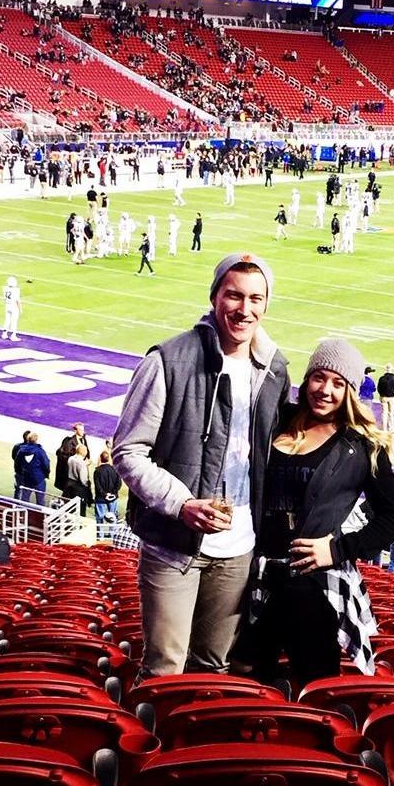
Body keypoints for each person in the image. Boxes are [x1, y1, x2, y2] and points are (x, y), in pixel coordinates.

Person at [113, 252, 290, 678]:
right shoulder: (167, 361)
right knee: (164, 667)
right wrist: (182, 503)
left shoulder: (274, 368)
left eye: (255, 298)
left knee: (214, 666)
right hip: (174, 544)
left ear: (266, 305)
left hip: (239, 545)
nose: (243, 309)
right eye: (233, 295)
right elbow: (128, 451)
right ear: (214, 297)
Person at [242, 337, 394, 686]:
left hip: (311, 586)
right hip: (252, 576)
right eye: (319, 377)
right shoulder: (278, 419)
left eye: (338, 383)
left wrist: (337, 549)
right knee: (250, 679)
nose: (325, 390)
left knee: (312, 683)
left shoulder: (363, 446)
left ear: (350, 390)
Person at [11, 430, 49, 505]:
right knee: (40, 500)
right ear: (36, 440)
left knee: (24, 499)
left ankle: (21, 514)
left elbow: (16, 462)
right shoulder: (40, 451)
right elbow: (46, 463)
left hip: (26, 477)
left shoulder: (21, 450)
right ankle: (40, 515)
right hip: (38, 478)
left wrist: (19, 472)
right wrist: (45, 474)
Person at [93, 448, 120, 525]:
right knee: (113, 517)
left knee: (100, 518)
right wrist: (113, 493)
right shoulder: (115, 469)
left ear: (101, 459)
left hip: (101, 498)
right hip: (113, 498)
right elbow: (118, 483)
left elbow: (98, 485)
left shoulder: (97, 471)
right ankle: (112, 534)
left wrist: (105, 494)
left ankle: (100, 535)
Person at [376, 364, 394, 435]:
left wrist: (381, 394)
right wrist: (393, 393)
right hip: (392, 397)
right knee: (391, 413)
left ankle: (384, 429)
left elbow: (379, 388)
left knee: (384, 413)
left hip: (384, 397)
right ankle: (391, 428)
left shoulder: (382, 378)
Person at [2, 276, 22, 342]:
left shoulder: (4, 288)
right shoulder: (16, 290)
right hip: (14, 306)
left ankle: (4, 334)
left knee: (7, 320)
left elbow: (4, 298)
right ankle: (13, 335)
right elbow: (18, 300)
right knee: (14, 321)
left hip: (7, 305)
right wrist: (20, 308)